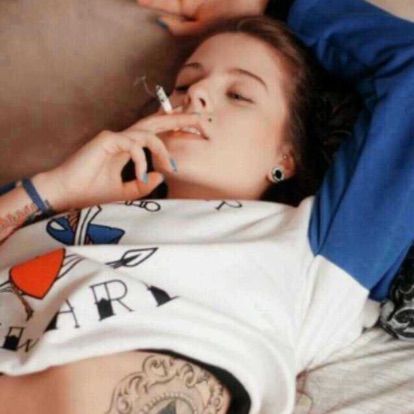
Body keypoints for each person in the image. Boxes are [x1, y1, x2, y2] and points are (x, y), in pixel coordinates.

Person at [0, 1, 413, 414]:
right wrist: (53, 190)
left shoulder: (321, 242)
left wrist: (271, 4)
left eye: (238, 95)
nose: (195, 94)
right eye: (183, 86)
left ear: (287, 156)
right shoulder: (56, 206)